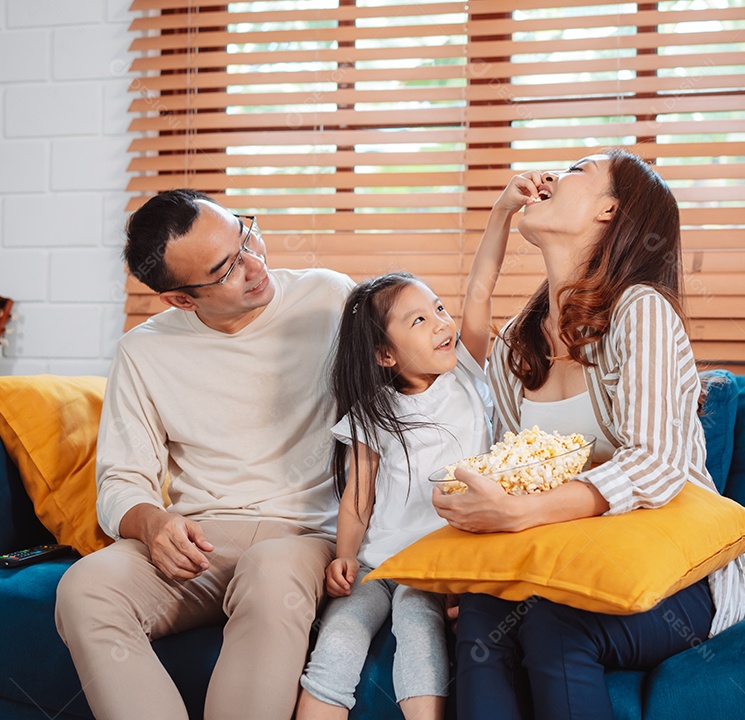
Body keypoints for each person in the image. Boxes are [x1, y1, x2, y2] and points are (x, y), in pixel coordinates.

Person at [432, 148, 745, 719]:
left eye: (575, 171)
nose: (550, 178)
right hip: (567, 561)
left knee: (553, 624)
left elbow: (657, 464)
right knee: (483, 613)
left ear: (610, 210)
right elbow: (513, 471)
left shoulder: (642, 311)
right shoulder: (518, 343)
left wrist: (518, 515)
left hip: (674, 571)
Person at [54, 189, 356, 720]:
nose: (255, 264)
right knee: (86, 588)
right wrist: (153, 524)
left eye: (245, 235)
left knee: (270, 568)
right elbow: (121, 481)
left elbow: (416, 394)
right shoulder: (144, 351)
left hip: (310, 535)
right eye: (225, 270)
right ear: (181, 300)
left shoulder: (330, 299)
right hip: (205, 539)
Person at [296, 211, 508, 720]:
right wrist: (344, 556)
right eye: (420, 320)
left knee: (417, 628)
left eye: (438, 308)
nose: (442, 324)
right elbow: (359, 496)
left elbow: (479, 290)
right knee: (340, 636)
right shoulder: (374, 412)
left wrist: (501, 211)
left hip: (431, 567)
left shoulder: (467, 376)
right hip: (375, 562)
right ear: (385, 355)